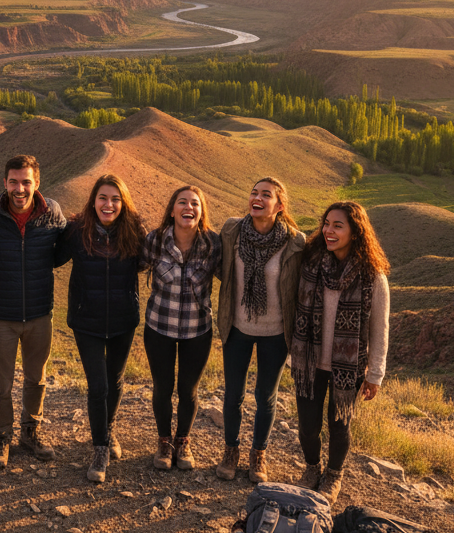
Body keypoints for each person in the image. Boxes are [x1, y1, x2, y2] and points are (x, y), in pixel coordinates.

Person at [0, 154, 68, 468]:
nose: (19, 189)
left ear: (37, 184)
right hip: (0, 315)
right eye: (13, 182)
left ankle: (30, 432)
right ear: (5, 183)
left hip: (39, 313)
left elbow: (64, 246)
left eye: (26, 182)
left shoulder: (51, 212)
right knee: (0, 384)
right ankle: (1, 437)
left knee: (37, 379)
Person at [291, 200, 390, 504]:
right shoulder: (311, 266)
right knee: (307, 426)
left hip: (347, 368)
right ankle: (312, 468)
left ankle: (333, 475)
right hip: (310, 362)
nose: (329, 231)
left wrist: (375, 374)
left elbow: (379, 329)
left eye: (338, 225)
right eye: (326, 224)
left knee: (339, 426)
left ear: (355, 231)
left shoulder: (372, 276)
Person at [215, 177, 306, 484]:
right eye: (253, 192)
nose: (256, 197)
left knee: (265, 396)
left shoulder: (295, 242)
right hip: (237, 327)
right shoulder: (232, 231)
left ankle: (259, 455)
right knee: (233, 395)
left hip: (276, 333)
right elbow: (216, 266)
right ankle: (230, 451)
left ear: (279, 206)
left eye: (265, 194)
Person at [57, 173, 144, 483]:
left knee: (115, 378)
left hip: (123, 320)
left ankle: (108, 430)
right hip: (86, 320)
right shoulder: (76, 232)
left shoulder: (134, 232)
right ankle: (100, 448)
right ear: (93, 201)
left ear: (123, 203)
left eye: (115, 199)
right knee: (98, 386)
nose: (109, 204)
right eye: (103, 198)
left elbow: (152, 261)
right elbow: (51, 257)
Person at [141, 184, 222, 471]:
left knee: (188, 389)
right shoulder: (155, 240)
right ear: (172, 209)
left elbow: (231, 276)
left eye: (195, 204)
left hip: (197, 330)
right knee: (162, 388)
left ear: (202, 212)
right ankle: (164, 443)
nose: (189, 208)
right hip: (159, 326)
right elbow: (132, 264)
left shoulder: (213, 244)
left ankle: (183, 441)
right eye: (182, 202)